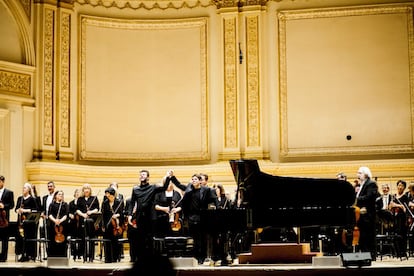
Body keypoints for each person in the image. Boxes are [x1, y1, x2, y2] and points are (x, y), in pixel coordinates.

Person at [169, 173, 219, 265]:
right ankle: (196, 258)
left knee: (203, 239)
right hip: (192, 217)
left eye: (195, 179)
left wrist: (218, 211)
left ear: (200, 181)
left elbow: (214, 199)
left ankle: (202, 258)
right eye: (192, 179)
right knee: (195, 239)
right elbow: (181, 193)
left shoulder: (207, 190)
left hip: (203, 217)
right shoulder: (189, 189)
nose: (193, 181)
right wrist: (172, 177)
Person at [127, 169, 169, 262]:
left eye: (144, 174)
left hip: (150, 217)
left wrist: (168, 177)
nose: (142, 176)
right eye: (141, 174)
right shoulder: (135, 189)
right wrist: (130, 214)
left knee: (149, 239)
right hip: (139, 217)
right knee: (140, 239)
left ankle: (150, 260)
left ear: (148, 177)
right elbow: (132, 202)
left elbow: (164, 187)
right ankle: (140, 259)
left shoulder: (153, 187)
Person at [355, 166, 379, 261]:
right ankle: (364, 255)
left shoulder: (371, 183)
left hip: (368, 215)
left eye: (359, 173)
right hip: (361, 214)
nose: (358, 175)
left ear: (366, 174)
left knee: (368, 236)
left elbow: (369, 197)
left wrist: (355, 199)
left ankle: (370, 256)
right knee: (363, 236)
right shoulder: (362, 184)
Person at [153, 171, 183, 240]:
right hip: (161, 219)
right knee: (162, 237)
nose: (170, 184)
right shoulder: (159, 193)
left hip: (175, 220)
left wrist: (177, 209)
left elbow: (181, 206)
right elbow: (155, 206)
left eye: (170, 182)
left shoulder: (177, 193)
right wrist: (164, 209)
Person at [15, 182, 40, 262]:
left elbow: (34, 209)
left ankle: (29, 254)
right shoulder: (20, 198)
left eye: (25, 188)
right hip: (20, 221)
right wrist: (18, 210)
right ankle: (22, 253)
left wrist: (25, 210)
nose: (23, 189)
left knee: (28, 237)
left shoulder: (32, 199)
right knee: (20, 237)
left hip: (29, 222)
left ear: (29, 189)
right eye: (23, 188)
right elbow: (16, 209)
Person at [76, 183, 100, 262]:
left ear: (90, 190)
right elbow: (77, 210)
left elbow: (97, 208)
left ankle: (91, 257)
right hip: (83, 221)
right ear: (83, 190)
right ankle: (84, 256)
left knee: (91, 238)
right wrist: (83, 214)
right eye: (85, 189)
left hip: (92, 221)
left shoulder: (94, 198)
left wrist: (91, 212)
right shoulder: (80, 199)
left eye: (88, 189)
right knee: (83, 238)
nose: (86, 190)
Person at [101, 187, 124, 263]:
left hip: (115, 225)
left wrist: (116, 215)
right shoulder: (105, 203)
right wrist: (103, 225)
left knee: (115, 242)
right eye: (107, 195)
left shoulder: (118, 202)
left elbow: (121, 214)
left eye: (110, 195)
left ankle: (115, 258)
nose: (108, 197)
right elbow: (103, 215)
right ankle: (108, 258)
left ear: (113, 195)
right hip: (107, 225)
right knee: (107, 241)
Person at [389, 179, 409, 258]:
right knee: (395, 235)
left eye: (402, 186)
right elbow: (390, 207)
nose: (400, 187)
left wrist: (396, 205)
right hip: (394, 218)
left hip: (402, 218)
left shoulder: (405, 197)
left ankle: (402, 253)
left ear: (404, 188)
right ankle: (396, 253)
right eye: (399, 185)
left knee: (402, 236)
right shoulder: (393, 196)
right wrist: (391, 205)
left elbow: (405, 208)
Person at [47, 190, 69, 257]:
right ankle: (53, 256)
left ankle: (62, 256)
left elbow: (66, 214)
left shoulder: (65, 204)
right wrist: (55, 220)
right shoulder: (52, 204)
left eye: (62, 194)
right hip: (53, 225)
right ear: (56, 196)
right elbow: (49, 214)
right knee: (52, 241)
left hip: (63, 225)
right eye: (59, 194)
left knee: (63, 242)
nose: (61, 196)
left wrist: (60, 220)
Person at [0, 175, 15, 262]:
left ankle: (4, 257)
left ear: (3, 182)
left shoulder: (9, 192)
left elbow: (12, 205)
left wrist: (3, 206)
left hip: (4, 219)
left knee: (5, 238)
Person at [41, 181, 56, 256]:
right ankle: (48, 254)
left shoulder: (56, 196)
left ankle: (54, 253)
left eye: (51, 186)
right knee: (48, 236)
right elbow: (43, 209)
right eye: (48, 186)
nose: (49, 188)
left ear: (54, 187)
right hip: (46, 219)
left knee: (54, 236)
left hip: (54, 219)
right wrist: (42, 214)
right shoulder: (44, 198)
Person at [68, 188, 82, 260]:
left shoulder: (82, 202)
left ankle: (80, 253)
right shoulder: (71, 203)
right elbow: (69, 212)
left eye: (79, 192)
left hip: (80, 222)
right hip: (73, 222)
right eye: (76, 192)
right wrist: (70, 215)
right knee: (73, 237)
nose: (77, 193)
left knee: (79, 237)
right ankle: (73, 253)